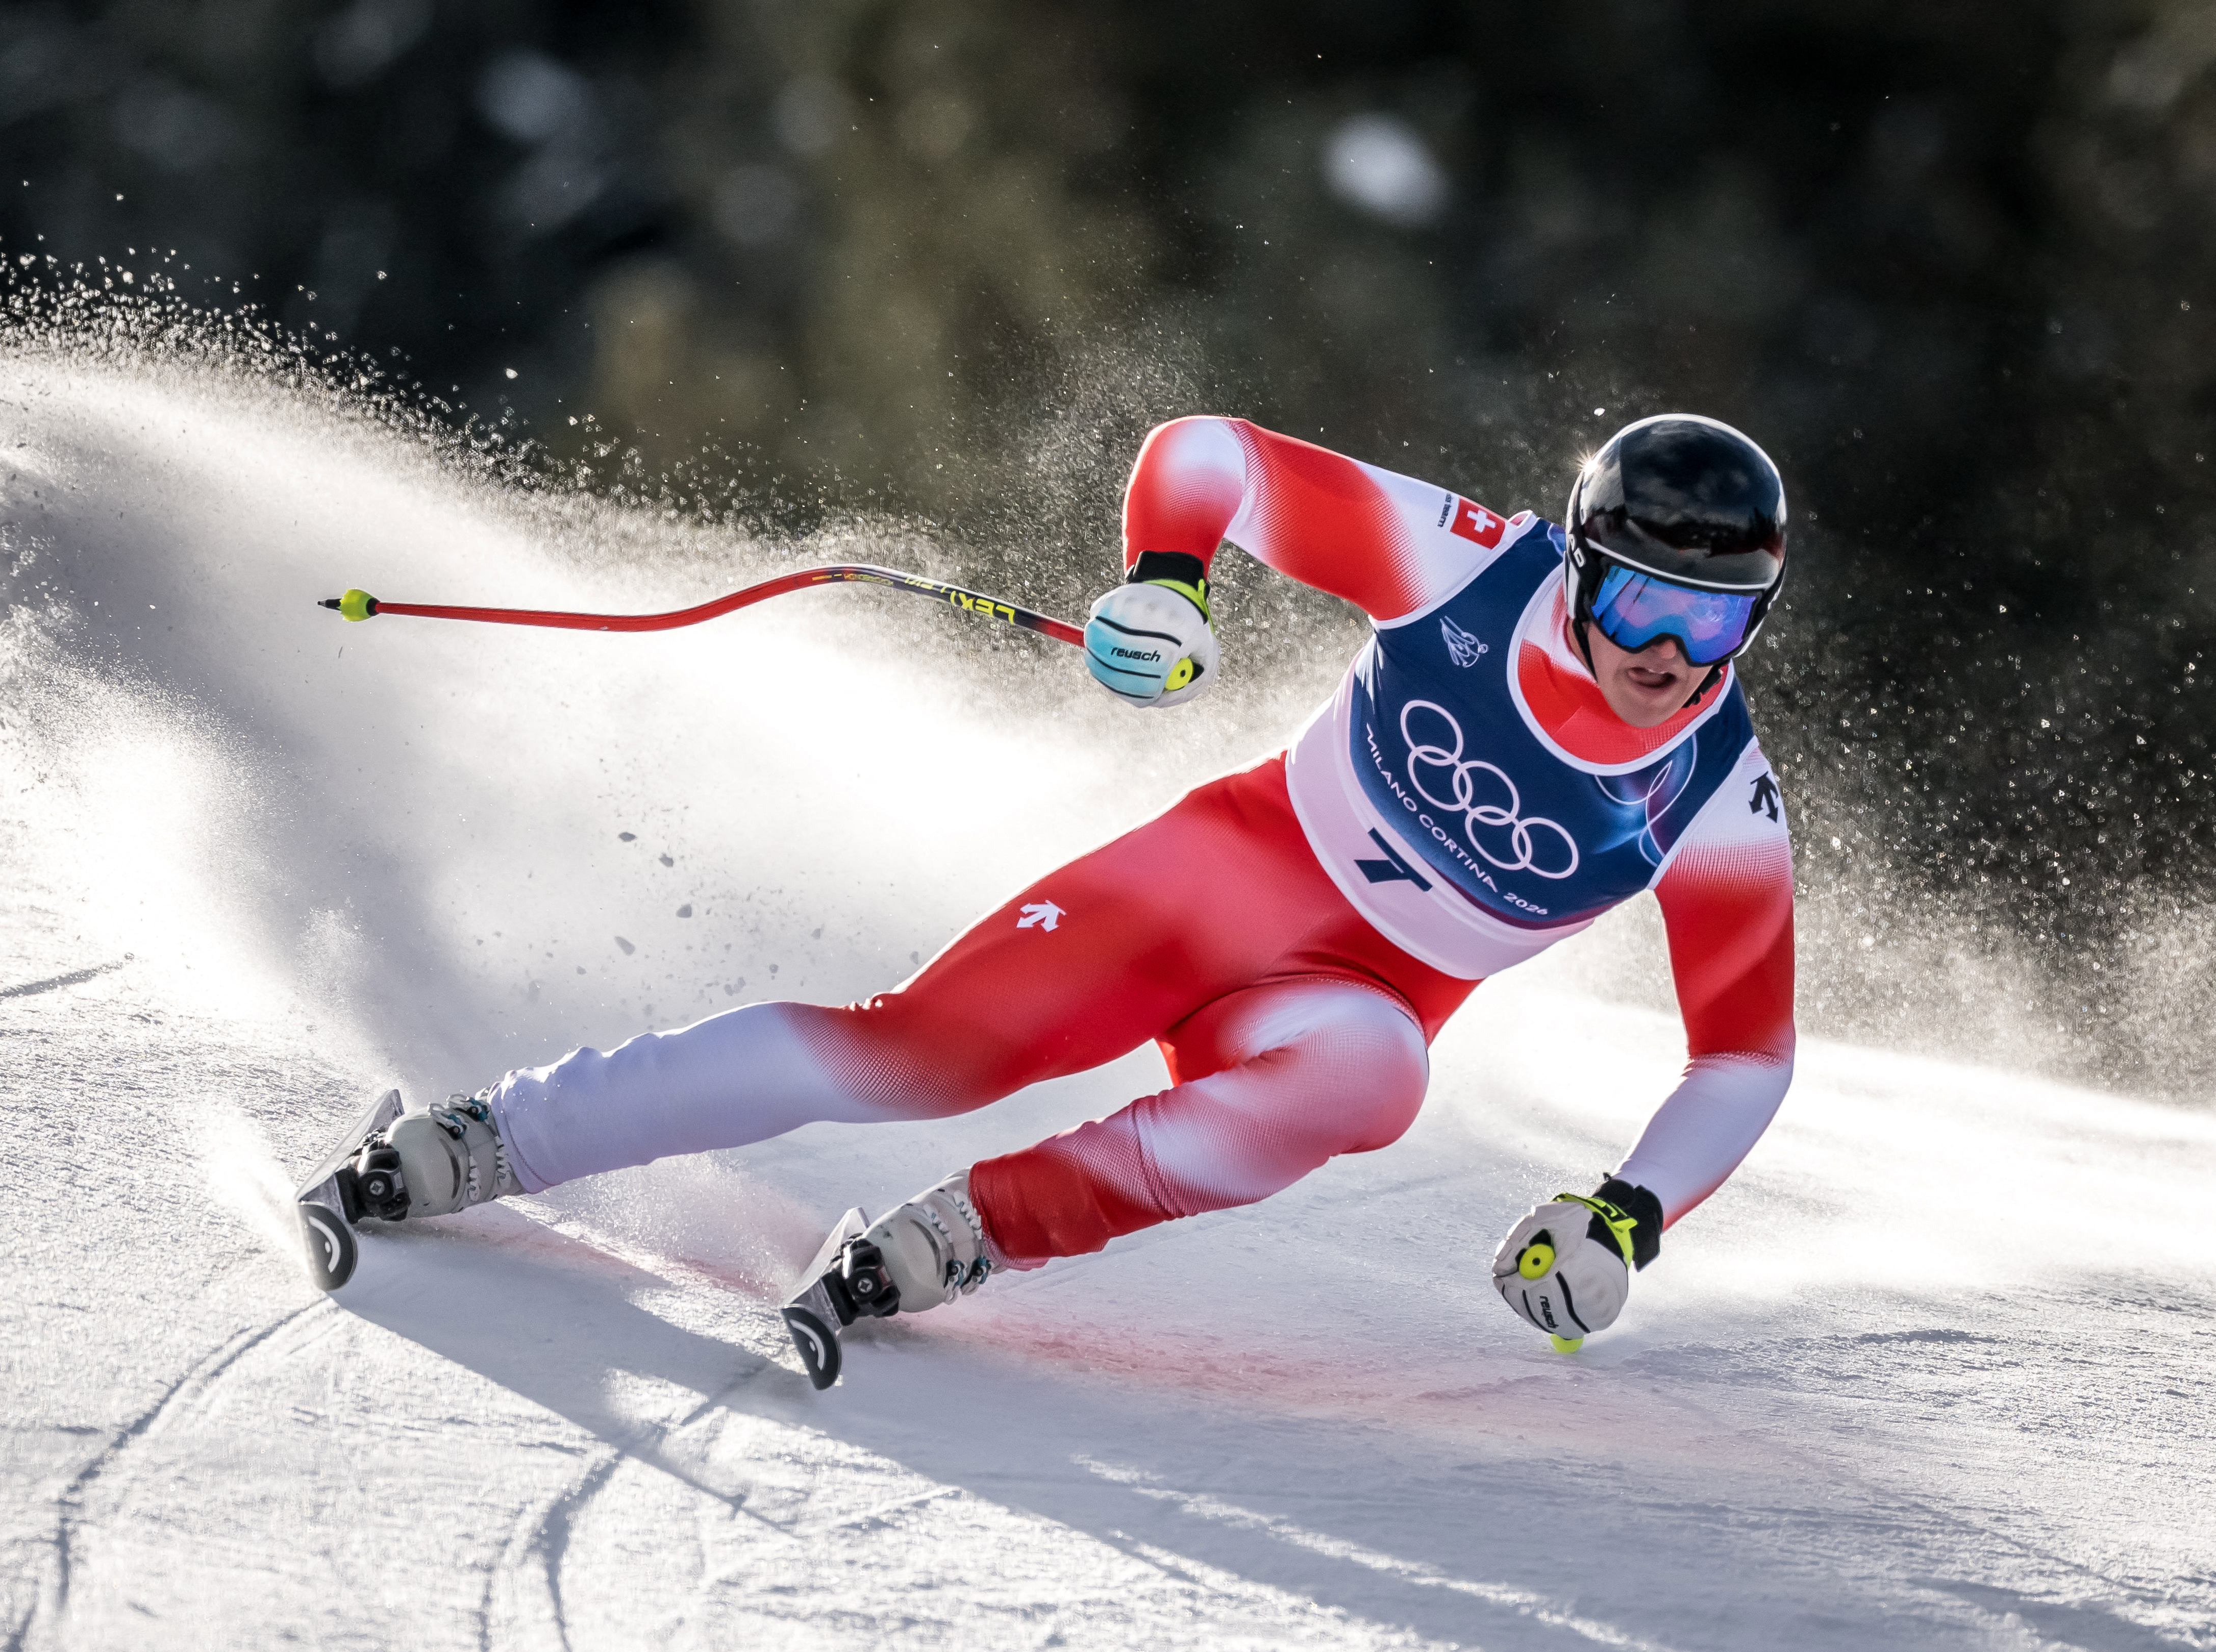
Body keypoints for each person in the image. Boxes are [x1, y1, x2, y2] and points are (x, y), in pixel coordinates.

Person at [348, 413, 1796, 1364]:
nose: (1670, 652)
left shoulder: (1720, 798)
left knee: (1377, 1074)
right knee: (915, 1057)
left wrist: (1625, 1215)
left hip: (1344, 1001)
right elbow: (1212, 456)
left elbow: (1745, 1053)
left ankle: (982, 1227)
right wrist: (1168, 581)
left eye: (1718, 619)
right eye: (1639, 603)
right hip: (1218, 881)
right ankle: (494, 1138)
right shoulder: (1471, 567)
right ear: (1577, 569)